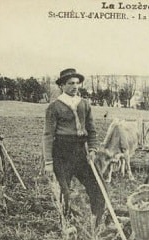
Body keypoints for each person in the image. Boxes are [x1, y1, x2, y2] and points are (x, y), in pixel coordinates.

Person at [43, 68, 105, 226]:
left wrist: (92, 149)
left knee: (98, 187)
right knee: (65, 191)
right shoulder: (54, 107)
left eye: (77, 83)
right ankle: (66, 225)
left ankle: (96, 222)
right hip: (62, 151)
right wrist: (48, 162)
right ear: (62, 85)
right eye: (71, 83)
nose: (75, 86)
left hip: (82, 151)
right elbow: (48, 135)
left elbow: (92, 130)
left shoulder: (84, 104)